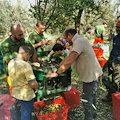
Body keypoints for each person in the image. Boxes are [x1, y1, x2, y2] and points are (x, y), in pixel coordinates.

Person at [46, 28, 103, 120]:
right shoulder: (74, 44)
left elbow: (70, 60)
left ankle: (89, 117)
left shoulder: (80, 41)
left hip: (92, 76)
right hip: (89, 75)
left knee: (87, 100)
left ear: (70, 35)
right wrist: (58, 67)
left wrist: (57, 73)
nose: (65, 41)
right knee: (92, 96)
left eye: (65, 38)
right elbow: (66, 58)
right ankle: (93, 114)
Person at [0, 24, 39, 95]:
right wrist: (30, 64)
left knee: (27, 91)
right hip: (12, 73)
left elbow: (33, 51)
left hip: (25, 71)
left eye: (23, 34)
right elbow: (9, 61)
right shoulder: (5, 44)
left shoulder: (24, 41)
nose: (22, 36)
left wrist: (34, 62)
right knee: (15, 93)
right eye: (20, 35)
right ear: (12, 34)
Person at [8, 44, 38, 120]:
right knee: (26, 114)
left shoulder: (11, 62)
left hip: (16, 93)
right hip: (26, 96)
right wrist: (36, 88)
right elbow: (33, 83)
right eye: (29, 57)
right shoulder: (26, 65)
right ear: (27, 54)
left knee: (21, 110)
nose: (28, 59)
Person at [101, 20, 120, 102]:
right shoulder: (115, 37)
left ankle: (114, 98)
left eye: (119, 27)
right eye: (116, 27)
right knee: (104, 76)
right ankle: (113, 93)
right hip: (111, 59)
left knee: (116, 81)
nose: (117, 29)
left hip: (118, 63)